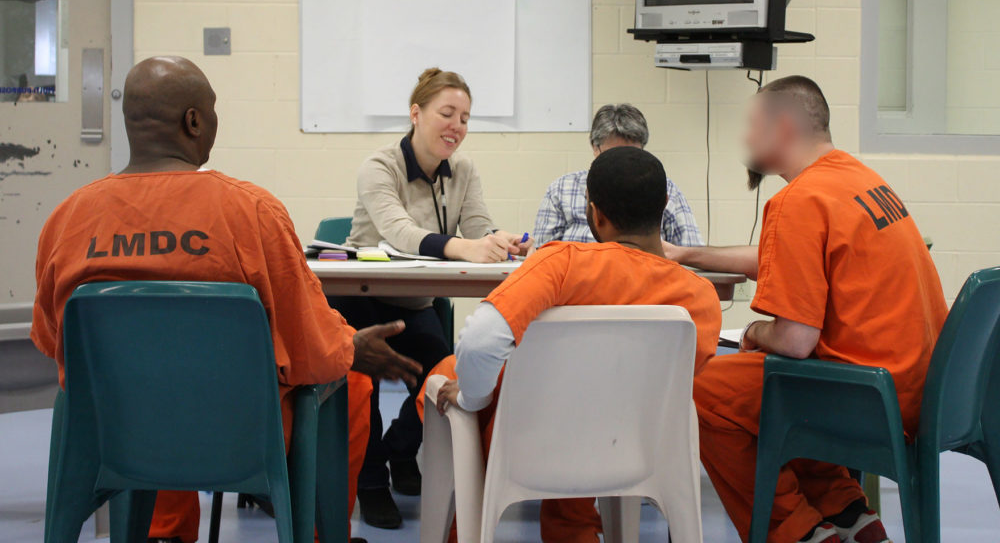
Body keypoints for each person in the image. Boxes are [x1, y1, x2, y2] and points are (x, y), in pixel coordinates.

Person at [31, 56, 422, 543]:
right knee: (352, 388)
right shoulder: (251, 213)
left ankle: (162, 533)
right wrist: (350, 347)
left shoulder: (67, 221)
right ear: (194, 121)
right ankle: (323, 535)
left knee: (149, 384)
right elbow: (311, 354)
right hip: (240, 440)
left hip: (110, 439)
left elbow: (55, 342)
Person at [672, 76, 947, 543]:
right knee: (760, 384)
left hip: (871, 399)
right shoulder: (857, 180)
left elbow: (796, 342)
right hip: (924, 388)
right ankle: (849, 517)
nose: (745, 138)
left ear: (782, 129)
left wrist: (756, 333)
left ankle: (795, 532)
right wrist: (685, 253)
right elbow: (780, 256)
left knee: (702, 391)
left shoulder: (796, 200)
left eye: (752, 126)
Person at [421, 147, 723, 543]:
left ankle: (462, 528)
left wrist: (474, 398)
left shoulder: (561, 263)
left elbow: (479, 343)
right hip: (635, 453)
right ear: (665, 205)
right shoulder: (700, 297)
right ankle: (574, 531)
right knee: (599, 393)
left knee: (450, 374)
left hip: (529, 445)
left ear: (594, 214)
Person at [340, 67, 529, 529]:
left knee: (448, 377)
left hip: (416, 304)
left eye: (465, 117)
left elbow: (477, 223)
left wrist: (497, 239)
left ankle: (402, 452)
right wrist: (467, 247)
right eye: (447, 113)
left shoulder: (463, 169)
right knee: (357, 389)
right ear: (416, 113)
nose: (457, 127)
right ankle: (371, 481)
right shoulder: (378, 166)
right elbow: (400, 233)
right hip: (360, 302)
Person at [533, 103, 702, 247]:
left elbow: (691, 251)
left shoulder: (662, 188)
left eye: (630, 154)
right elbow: (542, 254)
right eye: (612, 155)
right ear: (594, 147)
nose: (621, 164)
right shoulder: (561, 190)